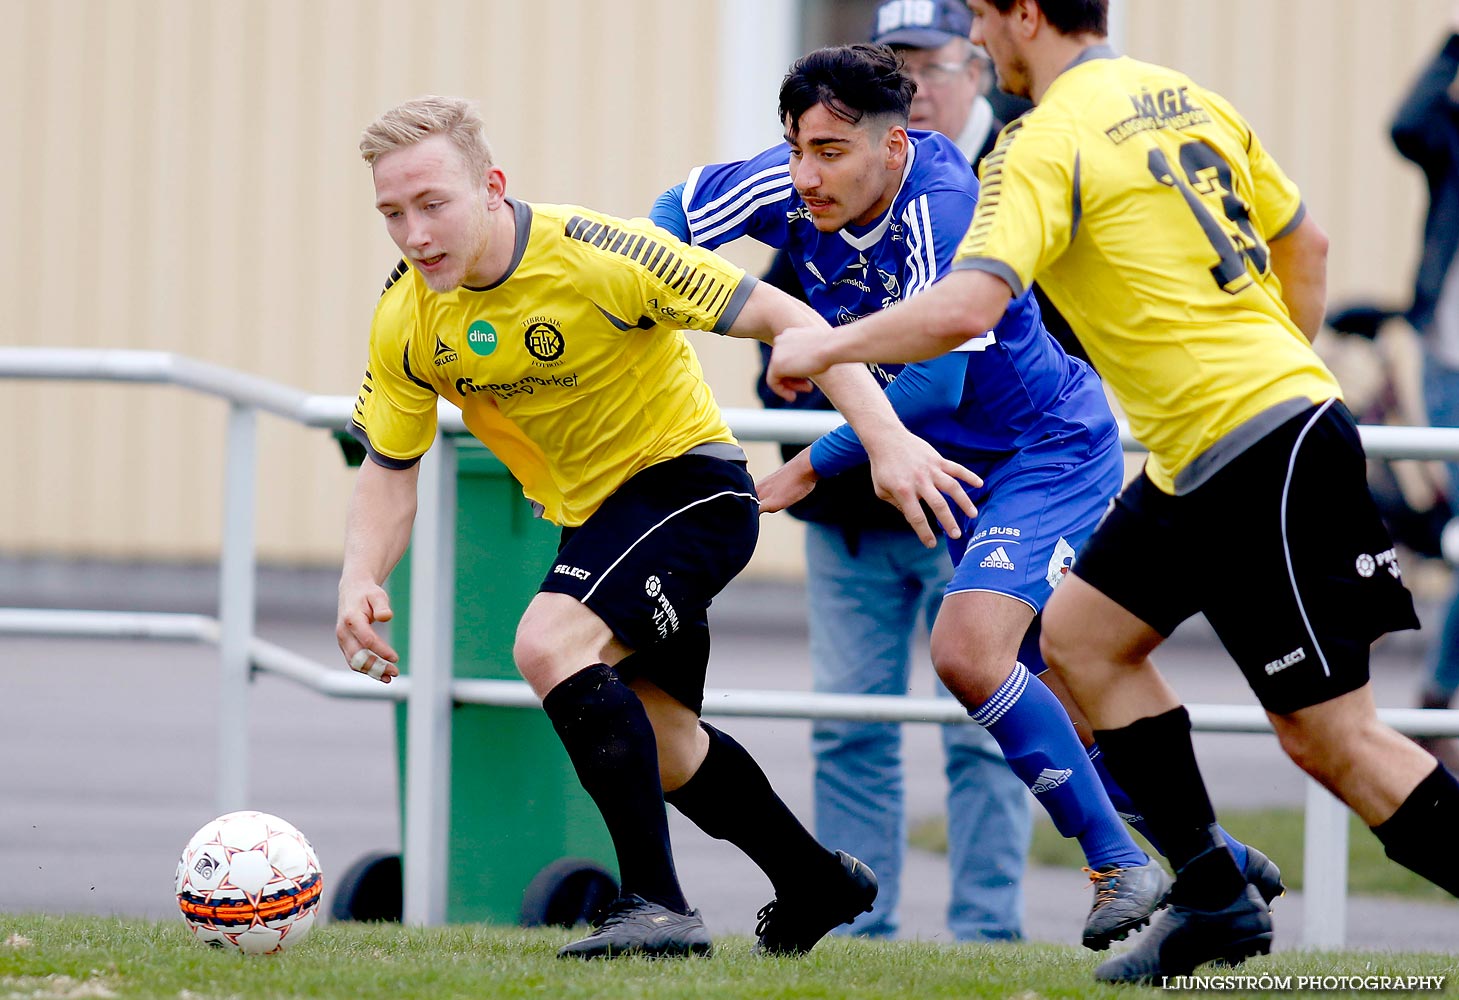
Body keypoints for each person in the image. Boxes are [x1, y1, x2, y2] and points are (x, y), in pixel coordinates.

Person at [767, 0, 1459, 984]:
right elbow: (1305, 248)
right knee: (1082, 642)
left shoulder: (1038, 144)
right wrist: (1264, 367)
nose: (973, 45)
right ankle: (1214, 890)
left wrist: (827, 345)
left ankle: (1208, 883)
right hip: (1202, 453)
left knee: (1334, 741)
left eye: (982, 20)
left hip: (1258, 444)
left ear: (1025, 14)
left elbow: (968, 307)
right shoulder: (1180, 96)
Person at [654, 43, 1279, 954]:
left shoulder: (943, 211)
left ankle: (1116, 863)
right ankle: (1212, 861)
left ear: (895, 144)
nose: (803, 174)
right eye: (793, 148)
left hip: (1048, 451)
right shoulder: (794, 178)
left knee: (967, 654)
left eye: (828, 152)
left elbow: (928, 393)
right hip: (960, 477)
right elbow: (661, 225)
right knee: (1058, 697)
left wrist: (801, 466)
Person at [336, 95, 983, 960]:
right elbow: (388, 466)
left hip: (692, 491)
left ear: (491, 187)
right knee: (669, 748)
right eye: (392, 214)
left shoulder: (601, 255)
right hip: (597, 522)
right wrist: (358, 575)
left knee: (547, 642)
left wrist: (887, 441)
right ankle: (814, 880)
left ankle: (656, 906)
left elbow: (792, 319)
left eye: (432, 203)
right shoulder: (407, 319)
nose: (414, 234)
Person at [745, 0, 1036, 943]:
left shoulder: (1023, 167)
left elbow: (1011, 356)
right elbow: (787, 329)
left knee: (986, 720)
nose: (914, 92)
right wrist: (838, 432)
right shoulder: (823, 174)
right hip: (849, 512)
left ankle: (987, 936)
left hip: (981, 498)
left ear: (978, 66)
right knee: (847, 725)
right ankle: (857, 932)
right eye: (896, 70)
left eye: (931, 67)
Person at [1392, 6, 1459, 765]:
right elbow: (1406, 125)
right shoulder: (1451, 141)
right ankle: (1438, 699)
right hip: (1448, 364)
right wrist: (1452, 44)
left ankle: (1438, 697)